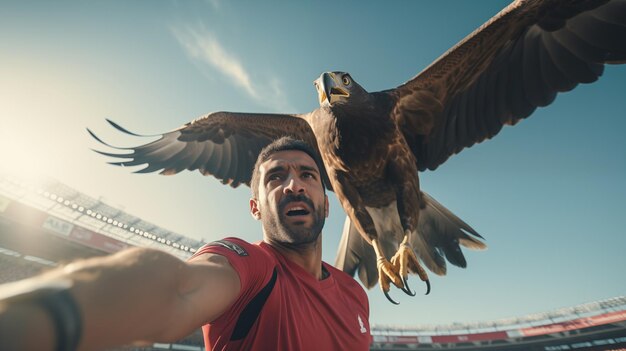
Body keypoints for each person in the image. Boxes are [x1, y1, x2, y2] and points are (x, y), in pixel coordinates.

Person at [0, 137, 371, 351]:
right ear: (255, 207)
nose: (294, 185)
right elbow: (176, 288)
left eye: (308, 175)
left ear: (326, 201)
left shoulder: (356, 296)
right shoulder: (250, 266)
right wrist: (44, 313)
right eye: (276, 177)